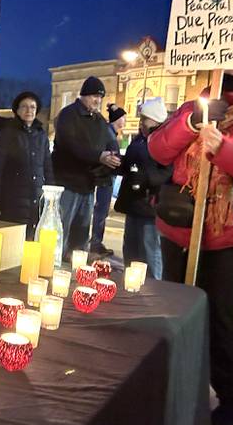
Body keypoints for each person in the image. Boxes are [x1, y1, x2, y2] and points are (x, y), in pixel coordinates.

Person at [148, 69, 233, 425]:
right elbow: (158, 148)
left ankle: (232, 401)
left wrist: (222, 147)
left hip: (230, 233)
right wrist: (192, 122)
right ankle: (178, 385)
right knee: (177, 313)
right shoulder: (193, 106)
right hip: (180, 227)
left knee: (224, 317)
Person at [52, 76, 120, 259]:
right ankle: (55, 260)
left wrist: (114, 156)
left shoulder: (98, 120)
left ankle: (76, 261)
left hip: (88, 184)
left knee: (81, 229)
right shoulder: (68, 114)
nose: (97, 101)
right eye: (93, 96)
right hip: (68, 182)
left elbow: (109, 140)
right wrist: (98, 156)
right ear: (83, 95)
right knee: (62, 226)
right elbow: (70, 145)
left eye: (100, 97)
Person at [114, 97, 171, 278]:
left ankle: (152, 289)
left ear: (154, 120)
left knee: (149, 251)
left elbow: (165, 172)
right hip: (133, 203)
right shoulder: (140, 139)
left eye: (143, 119)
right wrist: (118, 163)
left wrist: (143, 177)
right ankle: (130, 284)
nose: (140, 123)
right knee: (131, 249)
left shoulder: (164, 141)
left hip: (150, 206)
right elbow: (132, 165)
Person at [0, 91, 54, 239]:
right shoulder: (7, 134)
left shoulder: (41, 135)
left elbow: (47, 167)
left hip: (35, 197)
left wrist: (52, 196)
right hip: (11, 197)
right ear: (17, 110)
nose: (29, 110)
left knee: (30, 240)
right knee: (10, 238)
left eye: (32, 107)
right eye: (24, 106)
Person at [90, 103, 126, 257]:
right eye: (124, 117)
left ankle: (96, 242)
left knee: (101, 212)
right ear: (118, 119)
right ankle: (95, 243)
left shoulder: (111, 133)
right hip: (104, 178)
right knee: (101, 212)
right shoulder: (108, 134)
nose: (125, 120)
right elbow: (106, 155)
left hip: (106, 178)